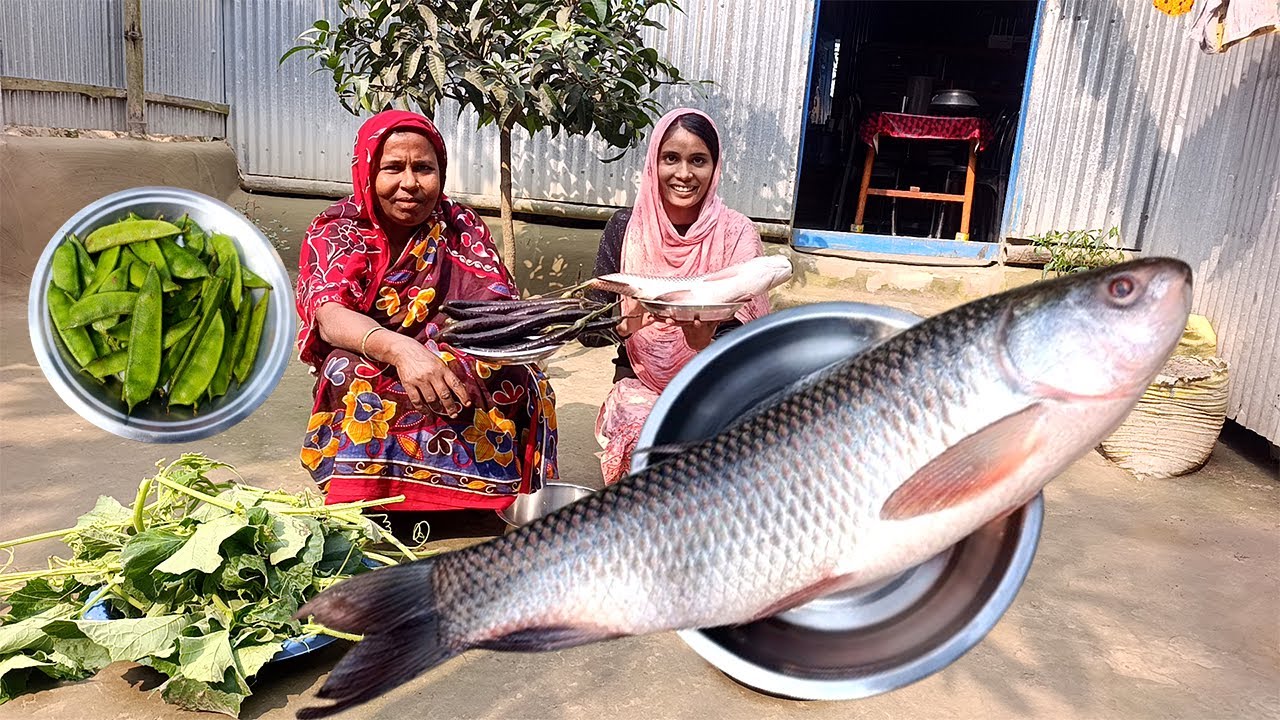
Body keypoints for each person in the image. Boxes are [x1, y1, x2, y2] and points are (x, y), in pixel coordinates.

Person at [294, 109, 558, 513]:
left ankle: (483, 498)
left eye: (423, 168)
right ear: (367, 171)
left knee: (517, 376)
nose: (409, 184)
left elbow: (494, 306)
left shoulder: (459, 225)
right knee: (347, 371)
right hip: (374, 354)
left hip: (452, 351)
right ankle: (366, 495)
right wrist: (402, 351)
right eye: (393, 168)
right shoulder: (337, 229)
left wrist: (541, 327)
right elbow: (328, 314)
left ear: (441, 172)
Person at [586, 108, 770, 486]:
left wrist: (706, 343)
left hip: (716, 384)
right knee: (648, 442)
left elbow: (751, 347)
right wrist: (624, 325)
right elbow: (588, 328)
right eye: (671, 158)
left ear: (715, 167)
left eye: (698, 160)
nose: (684, 174)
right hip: (641, 380)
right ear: (654, 163)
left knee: (728, 454)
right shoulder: (626, 229)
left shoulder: (737, 234)